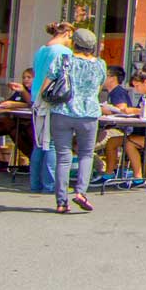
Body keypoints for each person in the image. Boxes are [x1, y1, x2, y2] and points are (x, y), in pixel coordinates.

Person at [47, 28, 106, 212]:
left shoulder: (64, 60)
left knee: (63, 157)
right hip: (89, 114)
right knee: (86, 154)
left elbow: (47, 84)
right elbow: (98, 88)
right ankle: (80, 192)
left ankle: (61, 202)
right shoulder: (100, 65)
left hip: (62, 112)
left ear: (74, 43)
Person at [30, 22, 75, 193]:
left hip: (36, 97)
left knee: (39, 142)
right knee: (52, 143)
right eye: (71, 37)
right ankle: (50, 185)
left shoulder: (41, 50)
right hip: (53, 99)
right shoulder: (64, 52)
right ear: (67, 34)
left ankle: (35, 183)